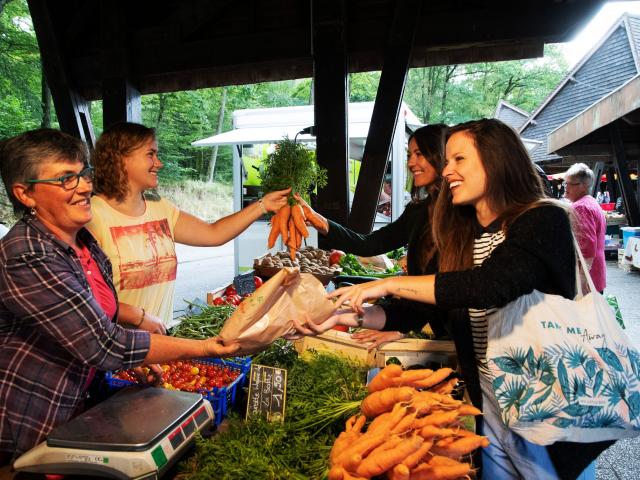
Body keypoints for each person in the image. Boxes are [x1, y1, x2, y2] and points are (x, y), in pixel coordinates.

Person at [290, 119, 610, 479]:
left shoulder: (542, 218)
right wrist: (342, 318)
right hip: (491, 398)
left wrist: (391, 284)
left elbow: (491, 285)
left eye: (458, 159)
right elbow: (421, 307)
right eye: (447, 160)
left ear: (496, 160)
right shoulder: (463, 231)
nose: (447, 169)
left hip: (547, 403)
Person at [0, 129, 239, 464]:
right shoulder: (26, 254)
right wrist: (207, 347)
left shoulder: (81, 242)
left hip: (84, 409)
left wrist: (134, 358)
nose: (84, 186)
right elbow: (103, 344)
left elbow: (101, 317)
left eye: (83, 173)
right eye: (66, 179)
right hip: (35, 421)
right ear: (25, 194)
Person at [87, 122, 290, 330]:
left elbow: (214, 234)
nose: (159, 163)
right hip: (117, 350)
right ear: (121, 158)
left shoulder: (159, 207)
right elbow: (84, 299)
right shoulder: (91, 216)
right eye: (151, 154)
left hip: (159, 346)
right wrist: (136, 317)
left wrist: (263, 205)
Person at [293, 124, 449, 348]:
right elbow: (369, 244)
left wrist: (400, 321)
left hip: (464, 334)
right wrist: (321, 222)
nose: (411, 162)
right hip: (442, 334)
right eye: (409, 155)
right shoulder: (418, 211)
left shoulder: (461, 216)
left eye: (419, 154)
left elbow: (447, 288)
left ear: (441, 155)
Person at [564, 163, 607, 293]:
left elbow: (587, 246)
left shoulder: (580, 207)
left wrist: (582, 280)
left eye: (569, 183)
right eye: (565, 183)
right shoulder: (591, 202)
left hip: (588, 276)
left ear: (583, 186)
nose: (566, 187)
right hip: (595, 273)